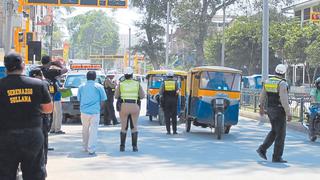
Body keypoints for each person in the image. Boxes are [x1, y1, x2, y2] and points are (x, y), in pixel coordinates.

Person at [0, 52, 53, 180]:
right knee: (34, 174)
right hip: (32, 136)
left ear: (6, 67)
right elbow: (48, 109)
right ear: (23, 66)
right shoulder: (38, 84)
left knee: (5, 174)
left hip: (6, 136)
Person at [257, 64, 292, 163]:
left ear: (275, 71)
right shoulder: (282, 83)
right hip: (279, 111)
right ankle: (276, 157)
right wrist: (288, 113)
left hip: (270, 110)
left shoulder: (268, 81)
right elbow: (284, 100)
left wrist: (261, 107)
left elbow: (262, 96)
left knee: (274, 131)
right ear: (284, 73)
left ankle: (262, 149)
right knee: (281, 134)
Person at [115, 67, 145, 152]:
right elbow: (142, 96)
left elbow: (116, 96)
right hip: (134, 106)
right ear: (132, 74)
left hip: (124, 106)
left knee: (123, 127)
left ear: (124, 75)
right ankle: (134, 147)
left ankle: (122, 147)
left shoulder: (121, 83)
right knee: (134, 127)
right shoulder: (137, 83)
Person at [77, 71, 107, 155]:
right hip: (95, 111)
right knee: (94, 130)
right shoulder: (99, 86)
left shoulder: (81, 87)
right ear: (95, 77)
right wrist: (99, 109)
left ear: (86, 77)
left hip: (84, 111)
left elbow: (79, 99)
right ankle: (91, 149)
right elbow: (103, 99)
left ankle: (85, 147)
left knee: (85, 129)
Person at [29, 68, 52, 168]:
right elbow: (48, 104)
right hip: (42, 116)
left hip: (30, 118)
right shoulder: (44, 84)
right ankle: (43, 164)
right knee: (43, 142)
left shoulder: (27, 84)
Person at [40, 55, 67, 134]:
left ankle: (52, 128)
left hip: (48, 94)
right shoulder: (51, 72)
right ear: (49, 62)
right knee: (58, 112)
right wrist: (58, 64)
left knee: (53, 113)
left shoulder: (41, 70)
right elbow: (65, 70)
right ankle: (57, 129)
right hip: (55, 94)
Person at [160, 70, 179, 135]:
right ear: (172, 76)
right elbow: (177, 92)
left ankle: (168, 131)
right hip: (174, 101)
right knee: (174, 116)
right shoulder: (175, 83)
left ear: (167, 76)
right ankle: (174, 131)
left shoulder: (164, 83)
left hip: (166, 101)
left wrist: (161, 102)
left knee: (167, 116)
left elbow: (161, 93)